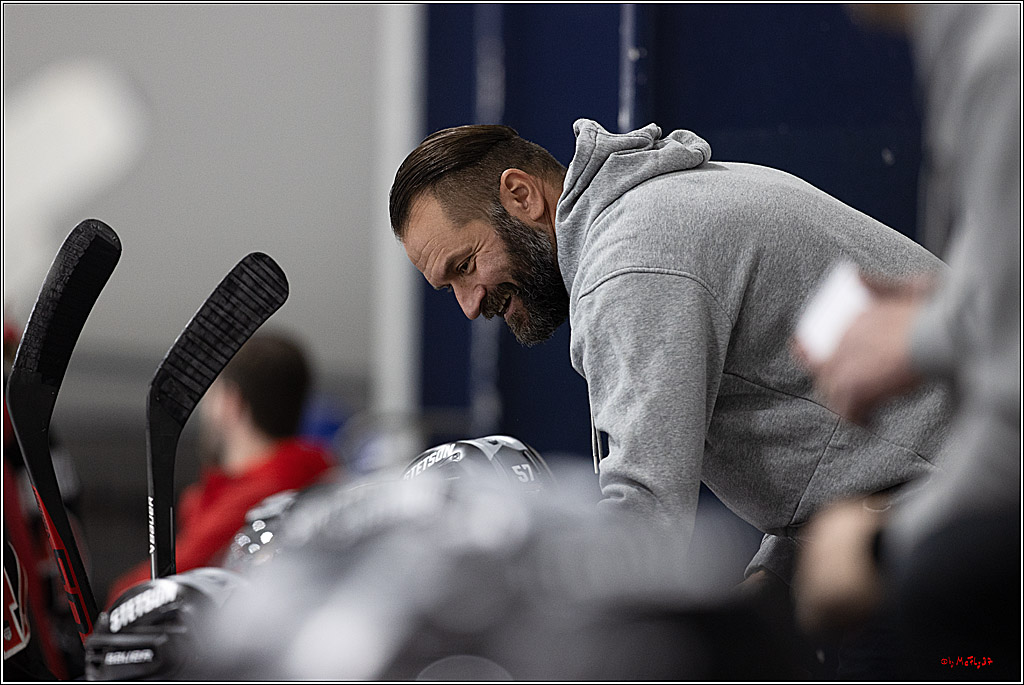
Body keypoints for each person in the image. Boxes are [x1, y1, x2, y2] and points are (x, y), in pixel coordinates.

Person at [388, 118, 954, 591]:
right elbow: (830, 444)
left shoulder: (631, 262)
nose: (469, 305)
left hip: (956, 504)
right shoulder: (657, 210)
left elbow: (645, 517)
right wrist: (769, 580)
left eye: (466, 266)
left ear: (521, 195)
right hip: (931, 493)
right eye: (449, 287)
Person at [793, 4, 1020, 678]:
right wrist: (941, 316)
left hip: (939, 479)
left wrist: (881, 547)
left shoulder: (1003, 57)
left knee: (934, 599)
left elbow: (1015, 422)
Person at [107, 331, 337, 604]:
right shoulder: (317, 478)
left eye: (211, 393)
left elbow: (142, 593)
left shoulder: (257, 498)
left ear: (230, 402)